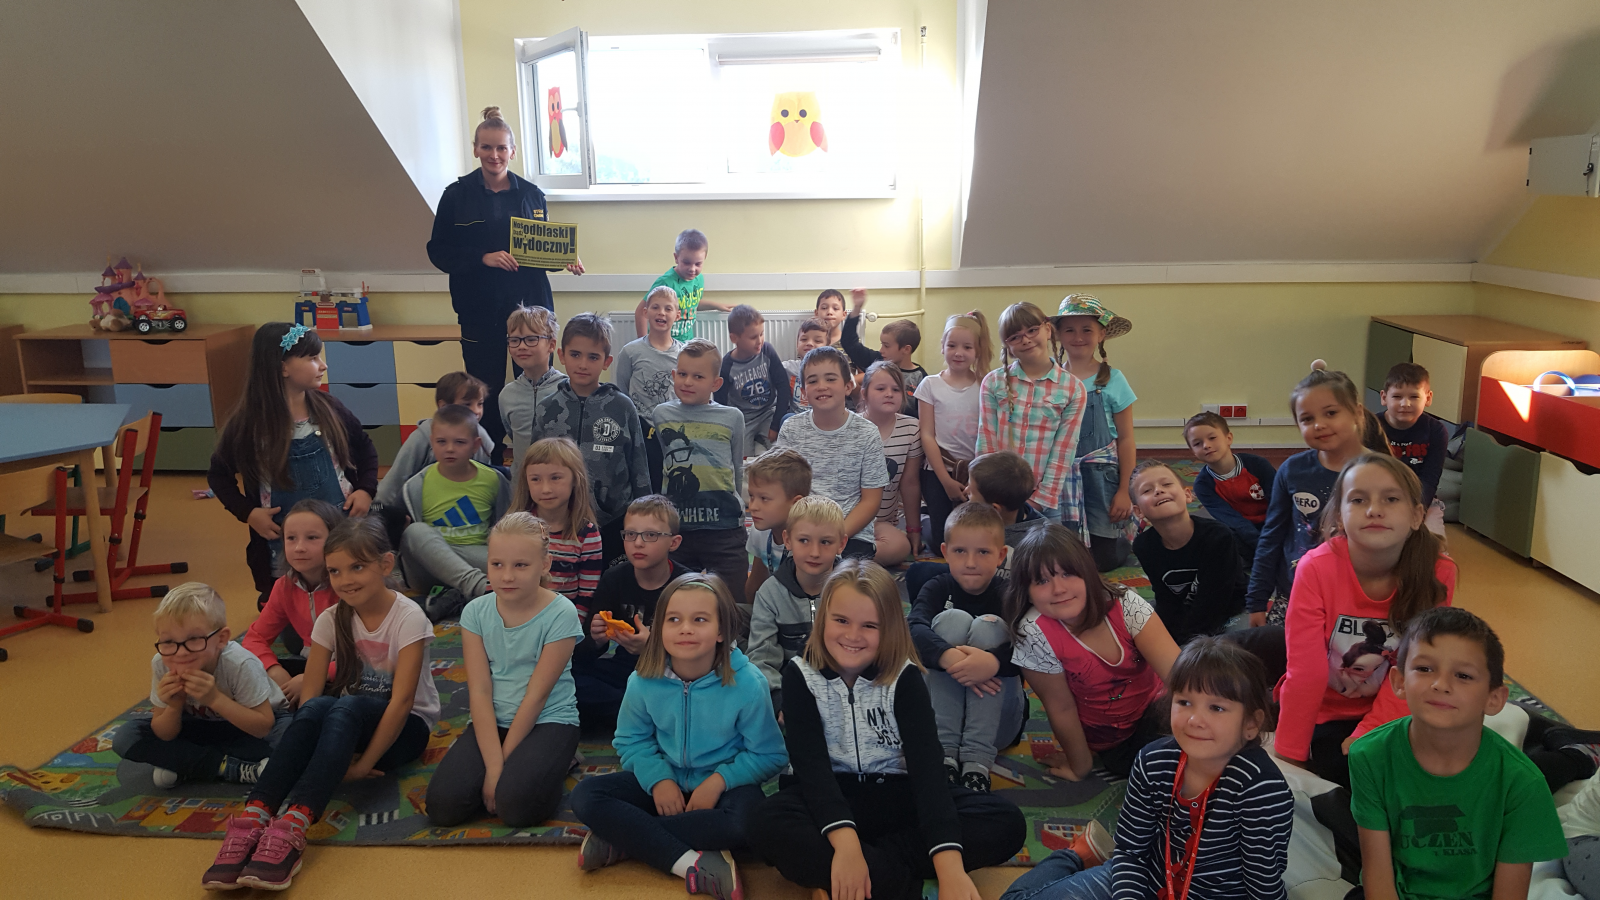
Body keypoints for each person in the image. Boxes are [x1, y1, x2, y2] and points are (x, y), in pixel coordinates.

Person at [749, 560, 1025, 900]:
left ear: (889, 628)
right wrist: (846, 846)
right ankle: (889, 878)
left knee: (1005, 822)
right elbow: (813, 771)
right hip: (825, 796)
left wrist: (950, 869)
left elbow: (928, 772)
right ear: (822, 619)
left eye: (869, 625)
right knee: (763, 823)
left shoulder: (905, 677)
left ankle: (867, 871)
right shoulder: (799, 675)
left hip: (897, 794)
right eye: (841, 621)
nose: (852, 636)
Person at [202, 518, 439, 892]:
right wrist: (321, 748)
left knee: (345, 706)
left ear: (385, 564)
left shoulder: (408, 618)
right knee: (316, 708)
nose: (345, 580)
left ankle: (295, 823)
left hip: (405, 729)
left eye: (357, 567)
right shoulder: (332, 618)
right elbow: (311, 697)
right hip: (348, 726)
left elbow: (402, 702)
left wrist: (362, 765)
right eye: (335, 571)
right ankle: (254, 816)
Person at [1001, 638, 1294, 900]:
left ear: (1252, 723)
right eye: (1184, 702)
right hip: (1144, 880)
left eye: (1216, 708)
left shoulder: (1261, 790)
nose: (1194, 720)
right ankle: (1075, 856)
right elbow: (1131, 851)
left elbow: (1263, 885)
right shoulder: (1152, 761)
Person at [571, 574, 788, 900]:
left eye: (699, 619)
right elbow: (630, 742)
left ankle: (624, 837)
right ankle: (684, 858)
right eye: (673, 619)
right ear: (659, 628)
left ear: (721, 631)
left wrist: (718, 781)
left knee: (751, 824)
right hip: (664, 782)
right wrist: (659, 780)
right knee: (586, 796)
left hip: (724, 789)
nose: (685, 628)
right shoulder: (642, 680)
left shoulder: (747, 683)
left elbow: (770, 754)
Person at [1351, 607, 1567, 900]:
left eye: (1463, 675)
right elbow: (1378, 876)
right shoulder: (1369, 756)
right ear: (1399, 682)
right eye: (1424, 669)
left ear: (1494, 698)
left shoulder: (1523, 783)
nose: (1440, 685)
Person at [1276, 453, 1456, 790]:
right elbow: (1306, 672)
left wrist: (1371, 729)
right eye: (1358, 500)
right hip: (1329, 711)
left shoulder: (1438, 572)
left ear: (1417, 516)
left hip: (1401, 704)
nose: (1374, 509)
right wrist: (1289, 755)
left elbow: (1421, 665)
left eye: (1391, 499)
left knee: (1440, 777)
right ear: (1340, 517)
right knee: (1347, 785)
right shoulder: (1315, 568)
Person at [427, 106, 584, 454]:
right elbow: (438, 251)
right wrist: (481, 258)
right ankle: (491, 459)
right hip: (478, 309)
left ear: (512, 151)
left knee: (539, 386)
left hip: (530, 309)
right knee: (482, 390)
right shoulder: (455, 195)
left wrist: (564, 258)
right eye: (486, 147)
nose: (494, 155)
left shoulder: (532, 194)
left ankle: (544, 455)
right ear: (475, 149)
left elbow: (542, 250)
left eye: (501, 148)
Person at [426, 513, 583, 828]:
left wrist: (498, 771)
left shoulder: (561, 613)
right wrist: (495, 766)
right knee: (443, 807)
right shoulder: (476, 612)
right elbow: (480, 691)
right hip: (493, 719)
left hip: (547, 720)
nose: (507, 576)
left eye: (520, 565)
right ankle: (520, 771)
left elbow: (536, 696)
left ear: (545, 564)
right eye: (497, 564)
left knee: (515, 808)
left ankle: (561, 762)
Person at [208, 323, 378, 607]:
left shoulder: (329, 408)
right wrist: (249, 513)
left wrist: (366, 489)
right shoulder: (249, 424)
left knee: (350, 595)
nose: (322, 365)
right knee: (290, 615)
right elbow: (218, 475)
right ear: (283, 367)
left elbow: (365, 448)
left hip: (341, 528)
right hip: (283, 544)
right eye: (312, 358)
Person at [1006, 523, 1181, 780]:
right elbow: (1060, 707)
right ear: (1027, 593)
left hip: (1159, 707)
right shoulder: (1033, 632)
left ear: (1087, 573)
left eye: (1068, 574)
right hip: (1113, 739)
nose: (1058, 589)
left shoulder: (1125, 603)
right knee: (1153, 766)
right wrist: (1080, 765)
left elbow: (1179, 677)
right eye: (1042, 581)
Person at [113, 583, 289, 789]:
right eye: (168, 642)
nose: (180, 652)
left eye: (194, 639)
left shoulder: (239, 663)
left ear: (221, 639)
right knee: (126, 737)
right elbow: (164, 734)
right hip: (201, 728)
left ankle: (188, 763)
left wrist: (215, 699)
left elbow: (263, 726)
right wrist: (174, 707)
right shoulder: (162, 663)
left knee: (292, 737)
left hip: (252, 727)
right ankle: (228, 767)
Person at [1246, 365, 1370, 627]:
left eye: (1331, 413)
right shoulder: (1292, 470)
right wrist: (1257, 599)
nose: (1319, 425)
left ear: (1357, 412)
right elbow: (1272, 535)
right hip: (1296, 591)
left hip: (1360, 596)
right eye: (1307, 419)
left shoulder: (1382, 472)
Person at [908, 502, 1019, 793]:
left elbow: (1034, 647)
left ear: (1001, 555)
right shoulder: (936, 587)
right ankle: (943, 754)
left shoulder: (1008, 594)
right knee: (952, 619)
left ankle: (976, 762)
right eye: (960, 551)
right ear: (945, 552)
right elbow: (911, 630)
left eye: (983, 552)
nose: (971, 562)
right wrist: (949, 655)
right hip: (939, 722)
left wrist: (993, 663)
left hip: (997, 727)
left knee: (988, 625)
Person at [531, 313, 651, 568]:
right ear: (562, 356)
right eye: (575, 355)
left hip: (613, 521)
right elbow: (533, 466)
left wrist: (645, 518)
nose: (583, 364)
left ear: (607, 362)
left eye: (593, 357)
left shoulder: (622, 407)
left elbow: (639, 466)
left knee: (611, 584)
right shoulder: (546, 410)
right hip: (559, 521)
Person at [572, 495, 690, 731]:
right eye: (630, 534)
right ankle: (644, 714)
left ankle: (637, 714)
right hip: (623, 673)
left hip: (671, 674)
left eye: (651, 535)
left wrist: (653, 649)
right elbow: (585, 653)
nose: (638, 543)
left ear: (674, 542)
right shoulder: (614, 578)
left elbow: (701, 653)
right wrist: (596, 639)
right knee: (566, 681)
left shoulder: (687, 586)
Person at [654, 339, 750, 622]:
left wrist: (738, 508)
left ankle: (734, 646)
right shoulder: (661, 415)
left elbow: (736, 467)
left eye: (698, 376)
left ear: (715, 383)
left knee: (734, 606)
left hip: (725, 530)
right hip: (678, 530)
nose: (688, 382)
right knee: (678, 603)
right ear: (674, 375)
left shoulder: (732, 417)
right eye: (682, 374)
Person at [977, 302, 1087, 530]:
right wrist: (988, 489)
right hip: (999, 496)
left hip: (1045, 498)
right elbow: (986, 440)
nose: (1025, 340)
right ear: (1008, 346)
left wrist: (1039, 499)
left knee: (1045, 551)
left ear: (1048, 330)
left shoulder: (1073, 388)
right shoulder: (993, 382)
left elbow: (1064, 449)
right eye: (1015, 337)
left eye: (1032, 330)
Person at [397, 404, 512, 621]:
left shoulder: (494, 480)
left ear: (475, 445)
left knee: (515, 560)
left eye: (459, 442)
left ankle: (455, 596)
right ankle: (479, 589)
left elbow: (505, 526)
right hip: (429, 567)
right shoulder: (416, 484)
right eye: (442, 442)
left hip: (477, 558)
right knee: (414, 531)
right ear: (432, 442)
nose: (450, 449)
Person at [776, 346, 889, 560]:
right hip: (803, 532)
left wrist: (835, 537)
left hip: (850, 533)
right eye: (812, 381)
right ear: (803, 392)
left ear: (848, 386)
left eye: (830, 379)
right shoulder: (791, 429)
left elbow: (871, 501)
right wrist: (807, 535)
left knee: (846, 580)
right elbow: (784, 491)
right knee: (790, 579)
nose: (821, 386)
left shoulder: (867, 433)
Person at [1052, 294, 1137, 571]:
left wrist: (1124, 490)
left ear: (1101, 335)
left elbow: (1126, 439)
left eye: (1087, 330)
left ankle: (1126, 537)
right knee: (1060, 554)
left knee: (1103, 560)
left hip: (1102, 480)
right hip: (1059, 478)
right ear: (1058, 335)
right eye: (1069, 330)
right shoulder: (1049, 379)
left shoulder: (1113, 379)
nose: (1078, 337)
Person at [1129, 460, 1245, 646]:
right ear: (1138, 511)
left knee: (1231, 648)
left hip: (1230, 611)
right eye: (1147, 490)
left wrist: (1183, 644)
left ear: (1187, 495)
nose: (1158, 490)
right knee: (1136, 624)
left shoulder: (1218, 537)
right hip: (1186, 610)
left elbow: (1214, 603)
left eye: (1166, 484)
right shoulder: (1144, 546)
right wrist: (1167, 638)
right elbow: (1165, 600)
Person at [748, 495, 847, 709]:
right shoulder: (770, 593)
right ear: (787, 539)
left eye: (825, 542)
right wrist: (780, 700)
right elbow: (762, 658)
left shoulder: (855, 592)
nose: (814, 552)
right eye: (804, 540)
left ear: (841, 544)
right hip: (790, 692)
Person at [240, 499, 342, 703]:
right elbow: (254, 639)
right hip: (312, 655)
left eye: (312, 538)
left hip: (351, 664)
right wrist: (273, 669)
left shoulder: (348, 586)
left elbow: (369, 653)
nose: (299, 548)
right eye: (291, 538)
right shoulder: (284, 586)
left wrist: (314, 677)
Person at [918, 311, 992, 549]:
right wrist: (945, 480)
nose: (958, 352)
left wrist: (976, 478)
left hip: (975, 471)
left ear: (977, 350)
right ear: (942, 347)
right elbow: (927, 434)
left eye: (967, 347)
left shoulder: (986, 384)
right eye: (952, 345)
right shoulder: (930, 384)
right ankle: (927, 522)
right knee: (942, 542)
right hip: (939, 470)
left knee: (972, 535)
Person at [376, 372, 495, 511]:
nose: (476, 411)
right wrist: (378, 509)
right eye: (467, 404)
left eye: (480, 404)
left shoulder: (482, 438)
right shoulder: (423, 436)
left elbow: (485, 479)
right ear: (443, 406)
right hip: (423, 507)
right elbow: (395, 479)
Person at [510, 437, 603, 611]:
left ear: (575, 479)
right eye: (535, 479)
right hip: (517, 614)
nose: (546, 489)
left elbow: (587, 594)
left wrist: (572, 624)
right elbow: (496, 580)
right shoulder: (512, 529)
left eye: (555, 478)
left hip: (564, 619)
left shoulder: (587, 534)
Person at [1185, 410, 1277, 571]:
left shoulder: (1258, 465)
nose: (1206, 445)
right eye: (1197, 443)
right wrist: (1262, 546)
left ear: (1229, 438)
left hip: (1273, 525)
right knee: (1217, 538)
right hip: (1242, 531)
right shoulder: (1203, 485)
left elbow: (1278, 504)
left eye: (1212, 438)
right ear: (1193, 451)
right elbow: (1233, 520)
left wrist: (1272, 538)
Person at [616, 286, 684, 492]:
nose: (661, 313)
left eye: (668, 308)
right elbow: (622, 392)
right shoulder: (630, 352)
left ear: (677, 315)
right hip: (642, 430)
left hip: (672, 428)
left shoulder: (684, 354)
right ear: (645, 312)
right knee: (646, 482)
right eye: (655, 307)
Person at [859, 361, 923, 565]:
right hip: (847, 518)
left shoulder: (912, 429)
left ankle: (843, 553)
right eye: (880, 388)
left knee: (900, 547)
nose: (889, 394)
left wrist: (913, 529)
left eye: (896, 389)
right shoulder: (851, 426)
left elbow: (910, 483)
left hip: (881, 525)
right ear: (864, 394)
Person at [1378, 362, 1452, 534]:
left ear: (1428, 398)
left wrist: (1417, 511)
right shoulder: (1371, 427)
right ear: (1384, 398)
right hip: (1378, 497)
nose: (1405, 403)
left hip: (1419, 499)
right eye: (1397, 396)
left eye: (1414, 397)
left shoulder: (1436, 431)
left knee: (1433, 543)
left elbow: (1430, 478)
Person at [714, 304, 791, 453]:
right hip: (744, 419)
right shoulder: (726, 366)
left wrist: (775, 425)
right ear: (734, 338)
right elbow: (720, 404)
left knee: (780, 452)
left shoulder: (767, 351)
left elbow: (783, 386)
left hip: (768, 413)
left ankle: (761, 443)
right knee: (741, 458)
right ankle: (755, 443)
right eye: (753, 337)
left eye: (761, 334)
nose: (759, 341)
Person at [499, 304, 568, 471]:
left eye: (531, 339)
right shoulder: (507, 395)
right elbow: (513, 435)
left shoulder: (568, 389)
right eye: (514, 340)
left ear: (551, 345)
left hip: (560, 479)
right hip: (521, 481)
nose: (521, 346)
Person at [841, 288, 927, 415]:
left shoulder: (921, 378)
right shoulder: (878, 362)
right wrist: (857, 308)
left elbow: (923, 413)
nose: (881, 350)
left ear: (906, 349)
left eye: (886, 346)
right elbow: (849, 343)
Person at [634, 229, 728, 341]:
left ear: (705, 258)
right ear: (676, 258)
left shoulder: (699, 279)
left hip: (685, 343)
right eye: (686, 263)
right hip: (662, 342)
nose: (692, 269)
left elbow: (691, 304)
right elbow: (641, 311)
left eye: (698, 264)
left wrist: (717, 306)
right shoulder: (665, 283)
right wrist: (643, 343)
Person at [743, 447, 812, 600]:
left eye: (764, 498)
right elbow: (754, 586)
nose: (753, 506)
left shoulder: (813, 540)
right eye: (752, 496)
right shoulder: (759, 531)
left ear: (796, 503)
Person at [968, 450, 1048, 576]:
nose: (966, 491)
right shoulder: (969, 520)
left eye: (971, 492)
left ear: (994, 509)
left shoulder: (1041, 542)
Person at [783, 318, 830, 415]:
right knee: (786, 417)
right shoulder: (789, 368)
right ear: (797, 344)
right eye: (804, 339)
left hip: (824, 417)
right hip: (797, 418)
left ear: (827, 347)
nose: (809, 343)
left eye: (817, 341)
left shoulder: (832, 369)